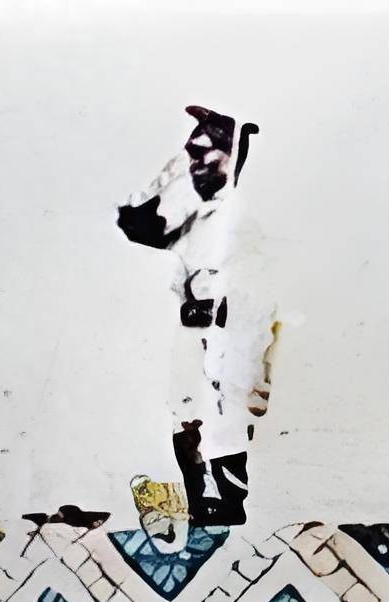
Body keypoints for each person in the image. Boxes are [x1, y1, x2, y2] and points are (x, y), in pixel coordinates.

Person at [118, 106, 274, 527]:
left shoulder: (243, 219)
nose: (195, 160)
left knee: (225, 420)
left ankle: (228, 506)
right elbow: (134, 223)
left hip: (228, 335)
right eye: (191, 151)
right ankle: (201, 504)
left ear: (231, 155)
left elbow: (257, 290)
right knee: (184, 416)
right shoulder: (193, 212)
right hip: (193, 331)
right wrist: (173, 171)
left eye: (205, 151)